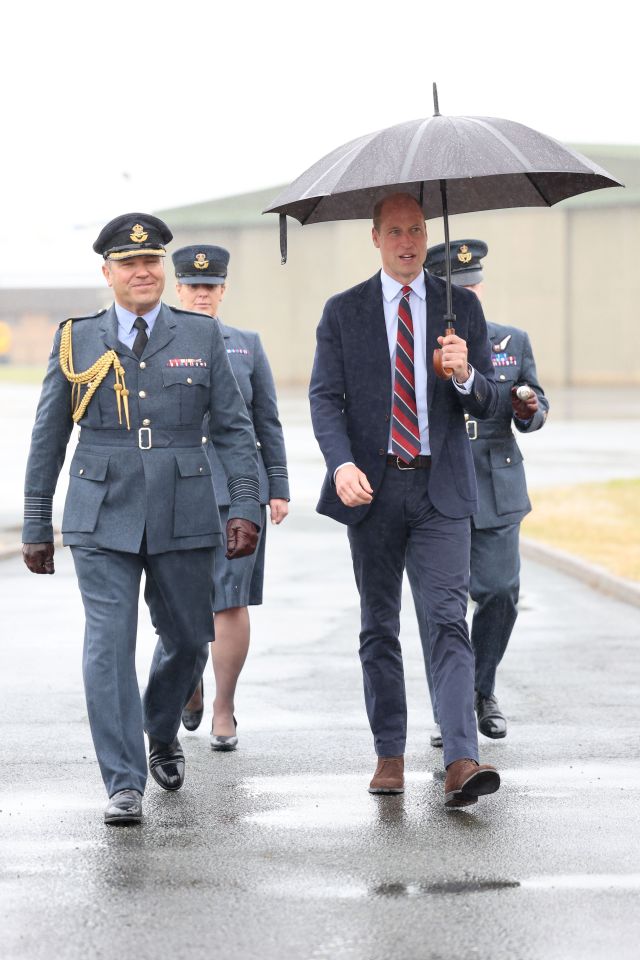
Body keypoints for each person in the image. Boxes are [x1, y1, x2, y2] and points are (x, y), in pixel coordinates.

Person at [22, 214, 261, 826]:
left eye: (151, 261)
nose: (143, 271)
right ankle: (123, 782)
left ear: (163, 269)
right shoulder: (77, 338)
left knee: (187, 638)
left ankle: (159, 728)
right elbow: (48, 437)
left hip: (184, 508)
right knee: (107, 643)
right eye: (128, 263)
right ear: (108, 273)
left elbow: (234, 430)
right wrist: (34, 522)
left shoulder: (200, 336)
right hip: (100, 510)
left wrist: (242, 504)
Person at [309, 192, 502, 809]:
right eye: (395, 231)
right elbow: (324, 398)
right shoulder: (344, 312)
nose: (408, 241)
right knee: (379, 624)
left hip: (441, 489)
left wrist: (465, 374)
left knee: (448, 620)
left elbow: (491, 400)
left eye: (416, 230)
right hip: (373, 488)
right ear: (375, 237)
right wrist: (339, 464)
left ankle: (460, 760)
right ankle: (389, 752)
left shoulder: (460, 308)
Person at [411, 239, 549, 745]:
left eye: (473, 284)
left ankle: (479, 688)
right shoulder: (413, 343)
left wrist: (528, 404)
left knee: (499, 594)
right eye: (456, 287)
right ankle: (453, 710)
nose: (469, 292)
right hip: (438, 480)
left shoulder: (511, 340)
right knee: (441, 607)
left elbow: (534, 409)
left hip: (496, 480)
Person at [172, 244, 289, 748]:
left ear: (223, 291)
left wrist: (278, 486)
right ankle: (188, 680)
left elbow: (267, 419)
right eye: (194, 286)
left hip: (239, 490)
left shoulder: (246, 344)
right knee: (182, 601)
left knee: (230, 599)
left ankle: (224, 707)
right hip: (177, 487)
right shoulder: (155, 343)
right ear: (178, 289)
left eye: (211, 286)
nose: (202, 294)